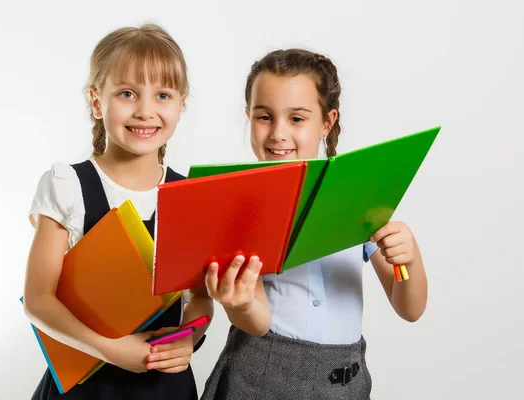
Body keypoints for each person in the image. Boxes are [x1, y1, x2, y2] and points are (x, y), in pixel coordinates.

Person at [23, 23, 262, 400]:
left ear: (181, 102)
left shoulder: (190, 195)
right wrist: (109, 349)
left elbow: (199, 300)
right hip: (86, 386)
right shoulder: (67, 185)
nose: (145, 110)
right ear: (97, 100)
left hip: (164, 386)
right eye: (127, 93)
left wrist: (189, 338)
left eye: (163, 95)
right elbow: (38, 300)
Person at [201, 48, 428, 400]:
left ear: (327, 121)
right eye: (264, 117)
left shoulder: (359, 198)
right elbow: (256, 322)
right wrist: (239, 304)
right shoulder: (239, 206)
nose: (278, 133)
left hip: (346, 383)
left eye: (296, 118)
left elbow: (409, 308)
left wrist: (410, 259)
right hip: (261, 378)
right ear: (248, 116)